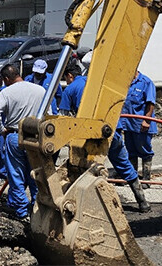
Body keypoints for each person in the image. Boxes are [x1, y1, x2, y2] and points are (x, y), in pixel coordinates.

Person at [57, 59, 151, 212]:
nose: (66, 81)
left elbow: (64, 117)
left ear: (69, 75)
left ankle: (87, 207)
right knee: (123, 164)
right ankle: (143, 202)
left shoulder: (70, 89)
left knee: (85, 168)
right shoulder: (97, 83)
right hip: (112, 130)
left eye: (66, 78)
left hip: (89, 135)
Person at [0, 64, 45, 221]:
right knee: (36, 174)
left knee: (16, 176)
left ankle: (21, 212)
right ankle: (37, 209)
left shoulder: (7, 92)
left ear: (6, 79)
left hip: (15, 135)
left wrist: (1, 129)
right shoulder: (40, 91)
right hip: (36, 137)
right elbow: (50, 114)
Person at [118, 71, 157, 187]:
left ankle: (146, 179)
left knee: (144, 150)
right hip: (128, 124)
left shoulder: (146, 82)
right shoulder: (124, 82)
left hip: (141, 125)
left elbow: (150, 103)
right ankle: (132, 178)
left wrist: (146, 120)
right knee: (130, 150)